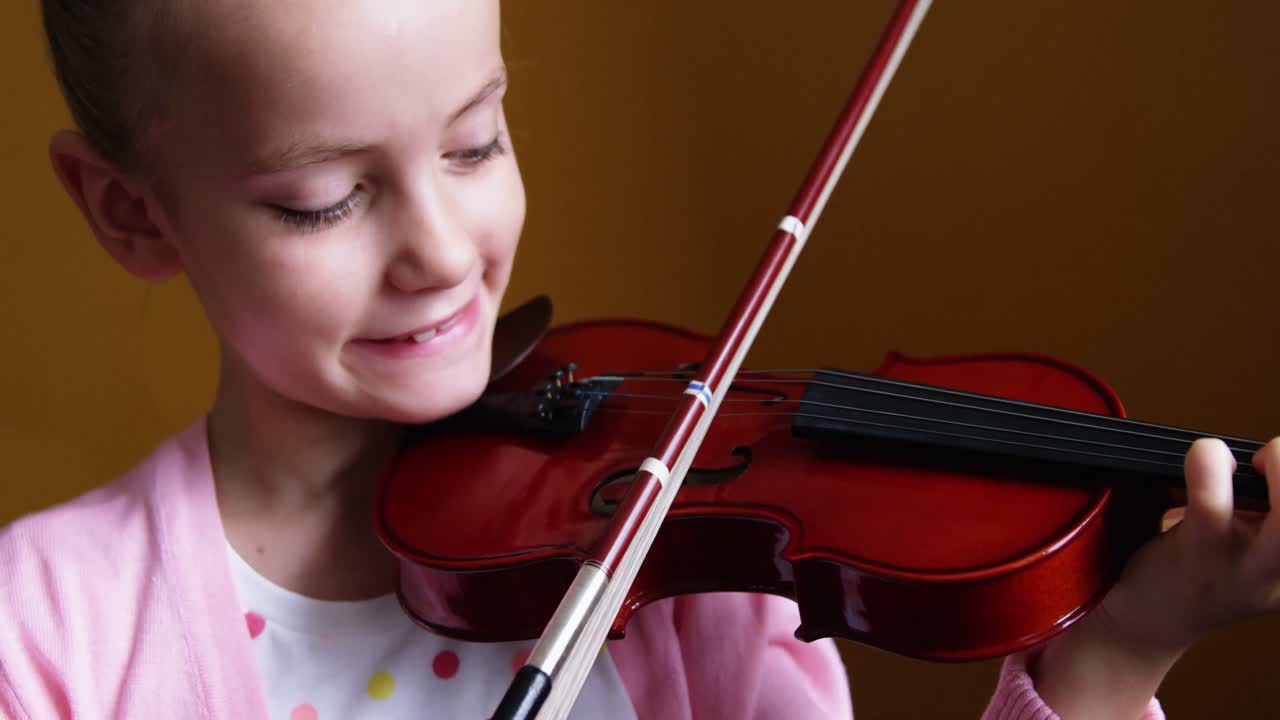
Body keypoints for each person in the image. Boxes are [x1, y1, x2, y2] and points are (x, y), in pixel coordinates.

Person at [1, 0, 1275, 718]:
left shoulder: (673, 548)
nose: (442, 253)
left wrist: (1110, 657)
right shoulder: (44, 637)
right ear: (130, 210)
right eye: (326, 199)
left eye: (473, 144)